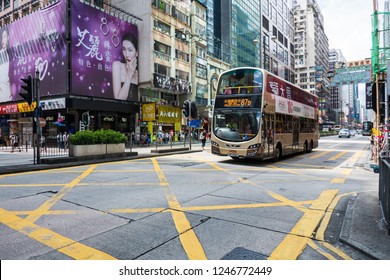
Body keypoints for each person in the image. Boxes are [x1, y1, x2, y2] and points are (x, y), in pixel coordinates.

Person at [112, 32, 138, 101]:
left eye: (130, 50)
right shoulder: (117, 66)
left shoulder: (139, 75)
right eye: (124, 49)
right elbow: (119, 99)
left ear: (137, 53)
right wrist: (129, 75)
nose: (126, 55)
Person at [0, 27, 12, 102]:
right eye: (2, 37)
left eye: (4, 37)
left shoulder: (9, 54)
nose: (2, 40)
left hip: (8, 91)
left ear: (8, 38)